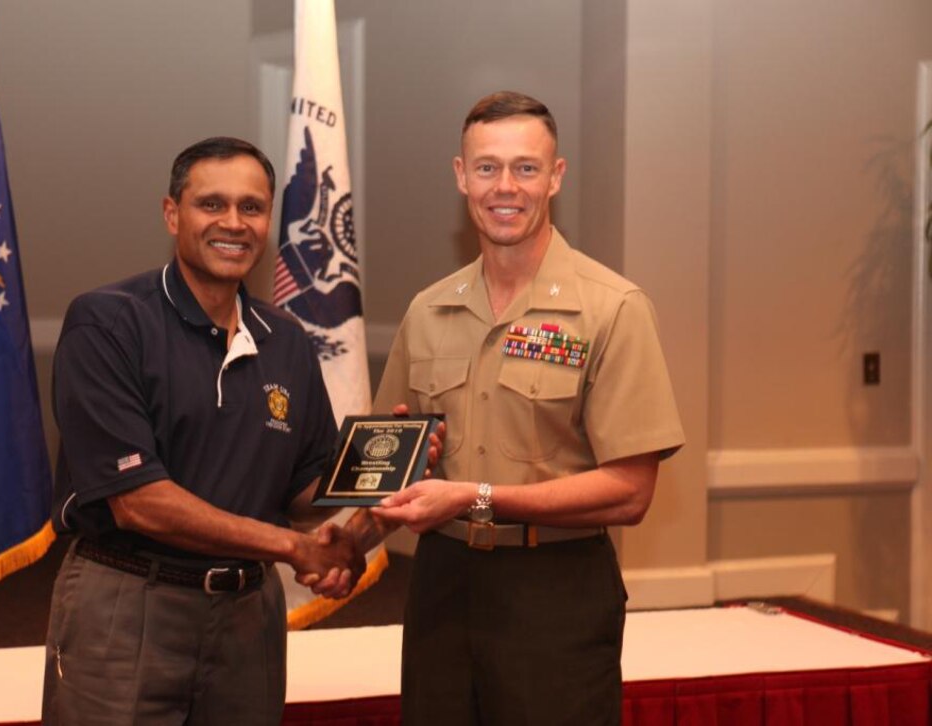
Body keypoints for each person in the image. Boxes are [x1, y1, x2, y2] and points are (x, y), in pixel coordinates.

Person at [371, 91, 686, 724]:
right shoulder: (427, 311)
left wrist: (472, 497)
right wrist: (345, 540)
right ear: (461, 176)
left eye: (525, 167)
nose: (504, 187)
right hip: (441, 586)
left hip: (556, 590)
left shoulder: (613, 309)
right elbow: (388, 459)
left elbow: (630, 492)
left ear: (555, 176)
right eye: (487, 167)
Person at [41, 137, 367, 725]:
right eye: (211, 205)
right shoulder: (108, 322)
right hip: (128, 603)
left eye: (252, 207)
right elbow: (140, 502)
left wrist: (385, 473)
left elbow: (303, 488)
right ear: (172, 214)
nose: (234, 223)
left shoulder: (286, 337)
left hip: (248, 618)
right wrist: (293, 548)